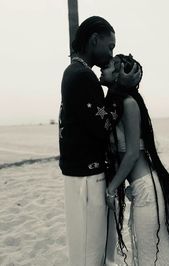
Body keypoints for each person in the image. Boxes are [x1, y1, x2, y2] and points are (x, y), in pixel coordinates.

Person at [58, 17, 141, 266]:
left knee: (91, 251)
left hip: (81, 174)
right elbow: (102, 127)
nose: (111, 52)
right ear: (94, 41)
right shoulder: (83, 76)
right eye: (110, 46)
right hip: (86, 178)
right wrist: (119, 89)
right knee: (88, 254)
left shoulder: (75, 72)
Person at [100, 54, 169, 265]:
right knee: (144, 254)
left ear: (119, 74)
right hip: (141, 188)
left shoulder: (129, 103)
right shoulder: (117, 104)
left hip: (147, 189)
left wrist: (112, 188)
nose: (103, 68)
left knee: (148, 256)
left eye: (109, 66)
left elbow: (132, 153)